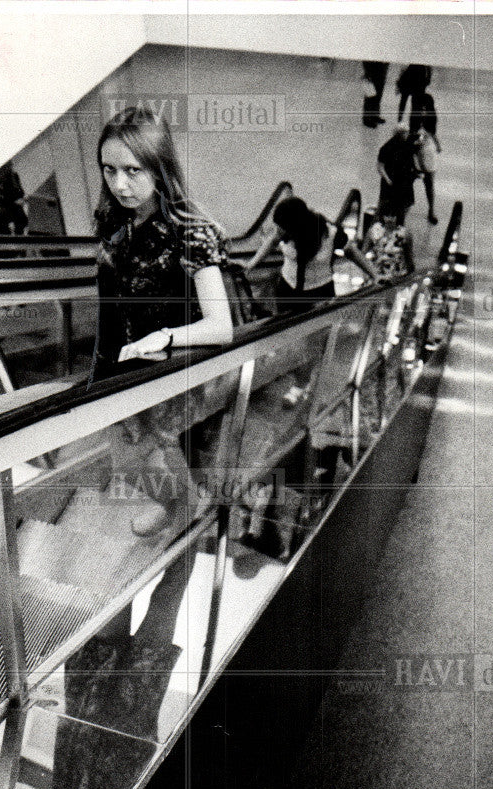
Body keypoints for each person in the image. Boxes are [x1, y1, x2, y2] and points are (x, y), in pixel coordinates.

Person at [92, 106, 233, 537]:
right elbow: (110, 307)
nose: (119, 184)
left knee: (134, 458)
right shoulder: (114, 219)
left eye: (133, 170)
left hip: (169, 369)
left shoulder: (190, 231)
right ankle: (179, 501)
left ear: (159, 166)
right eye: (109, 170)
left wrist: (165, 337)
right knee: (133, 458)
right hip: (121, 367)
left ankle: (183, 504)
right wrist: (99, 377)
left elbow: (221, 325)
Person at [244, 196, 380, 314]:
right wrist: (251, 264)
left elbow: (352, 252)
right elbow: (273, 240)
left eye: (281, 229)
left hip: (319, 293)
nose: (278, 232)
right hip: (287, 289)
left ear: (296, 227)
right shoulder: (283, 231)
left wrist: (375, 275)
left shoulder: (330, 233)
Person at [377, 122, 419, 225]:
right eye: (405, 133)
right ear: (398, 134)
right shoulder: (386, 147)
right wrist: (387, 179)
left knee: (405, 204)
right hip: (392, 180)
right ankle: (381, 220)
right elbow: (380, 166)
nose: (407, 135)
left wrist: (415, 172)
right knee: (386, 202)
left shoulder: (407, 144)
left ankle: (400, 222)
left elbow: (412, 158)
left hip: (404, 180)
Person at [411, 93, 442, 224]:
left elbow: (432, 133)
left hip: (427, 150)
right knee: (409, 179)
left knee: (429, 182)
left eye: (425, 106)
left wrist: (437, 144)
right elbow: (412, 134)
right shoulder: (414, 117)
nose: (423, 109)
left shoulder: (432, 118)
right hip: (416, 149)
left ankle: (431, 210)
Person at [362, 209, 415, 280]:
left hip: (398, 275)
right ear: (382, 216)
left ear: (397, 217)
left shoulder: (404, 233)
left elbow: (409, 257)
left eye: (393, 216)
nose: (389, 219)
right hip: (377, 274)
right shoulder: (374, 231)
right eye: (387, 215)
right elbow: (363, 253)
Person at [362, 61, 389, 128]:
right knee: (370, 97)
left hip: (380, 74)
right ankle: (367, 119)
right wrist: (367, 73)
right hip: (372, 75)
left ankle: (374, 116)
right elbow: (365, 61)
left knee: (378, 97)